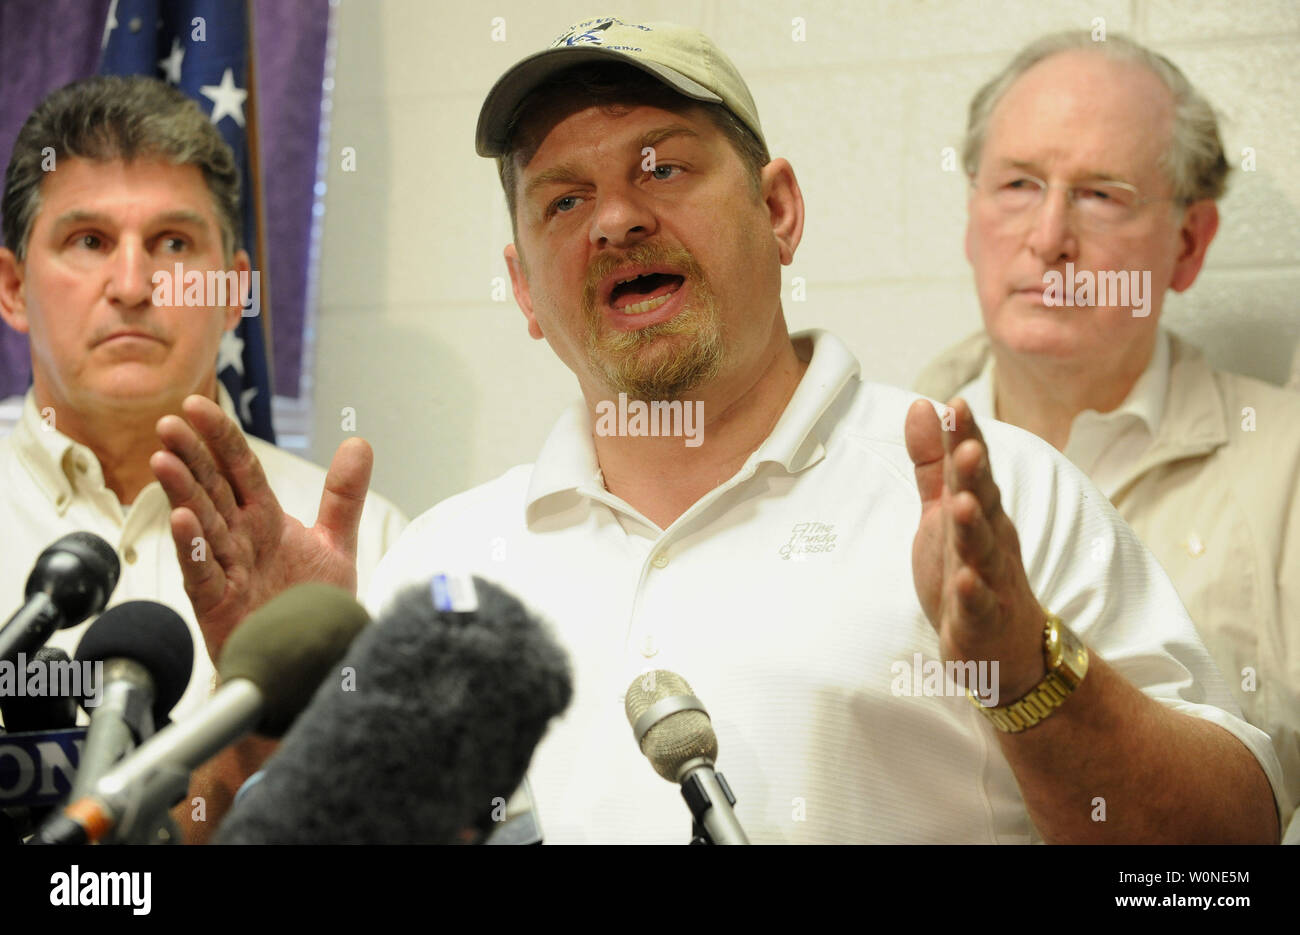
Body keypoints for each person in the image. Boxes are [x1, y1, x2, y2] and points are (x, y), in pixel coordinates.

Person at [159, 19, 1284, 843]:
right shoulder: (445, 560)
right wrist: (288, 717)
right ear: (522, 287)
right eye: (561, 199)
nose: (614, 219)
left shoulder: (988, 491)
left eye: (663, 166)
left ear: (778, 209)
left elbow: (1220, 850)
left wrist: (1024, 668)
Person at [913, 31, 1300, 842]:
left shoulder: (1287, 467)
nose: (1049, 236)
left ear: (1188, 245)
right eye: (1018, 184)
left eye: (1101, 195)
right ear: (972, 217)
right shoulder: (876, 454)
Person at [0, 76, 406, 840]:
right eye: (88, 241)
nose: (131, 285)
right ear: (13, 285)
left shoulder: (373, 548)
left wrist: (280, 702)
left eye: (174, 244)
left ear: (234, 292)